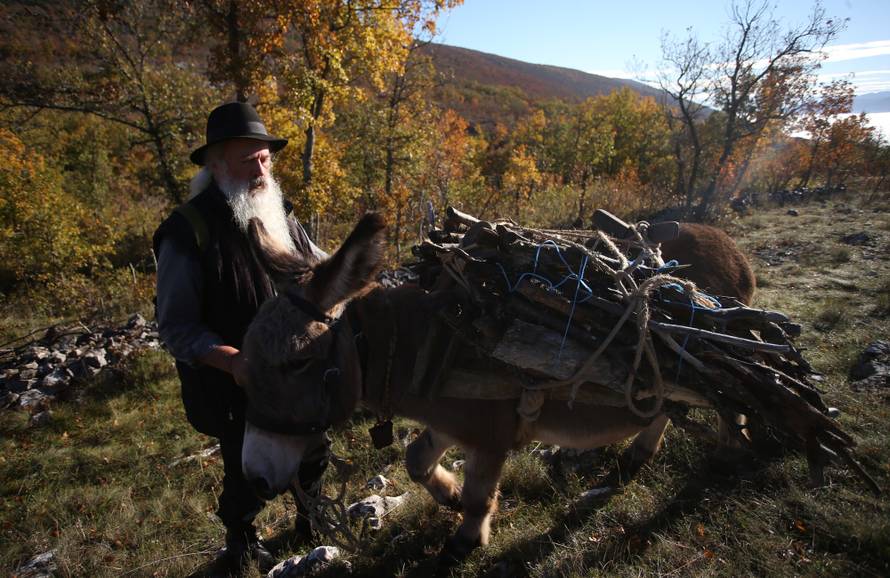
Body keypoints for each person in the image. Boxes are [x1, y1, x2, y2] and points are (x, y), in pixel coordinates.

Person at [153, 102, 329, 576]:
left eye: (266, 158)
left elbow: (318, 268)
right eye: (247, 159)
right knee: (244, 467)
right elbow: (175, 326)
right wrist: (234, 363)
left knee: (314, 446)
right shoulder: (187, 231)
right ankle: (242, 544)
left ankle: (312, 520)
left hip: (294, 371)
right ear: (216, 164)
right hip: (231, 384)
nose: (260, 169)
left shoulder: (280, 213)